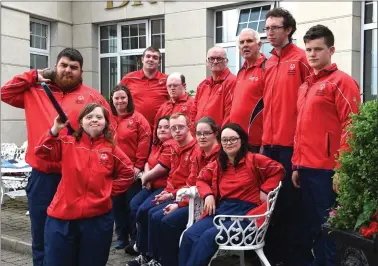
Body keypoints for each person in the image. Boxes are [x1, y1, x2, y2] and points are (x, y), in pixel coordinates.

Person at [1, 48, 112, 266]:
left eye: (74, 67)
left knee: (73, 238)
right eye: (63, 65)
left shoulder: (93, 97)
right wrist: (34, 75)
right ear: (55, 67)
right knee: (41, 237)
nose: (68, 71)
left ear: (81, 71)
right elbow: (5, 93)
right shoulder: (34, 90)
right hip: (44, 177)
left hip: (77, 178)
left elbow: (109, 133)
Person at [291, 25, 361, 266]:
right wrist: (296, 165)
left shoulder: (342, 82)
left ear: (331, 50)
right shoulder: (305, 86)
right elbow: (301, 129)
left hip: (328, 170)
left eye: (318, 49)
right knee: (313, 226)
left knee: (330, 227)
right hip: (307, 168)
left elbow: (351, 126)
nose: (312, 54)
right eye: (308, 49)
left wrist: (341, 168)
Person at [34, 103, 135, 266]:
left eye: (99, 117)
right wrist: (54, 130)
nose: (94, 120)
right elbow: (41, 151)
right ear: (80, 122)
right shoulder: (67, 143)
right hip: (62, 219)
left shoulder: (111, 149)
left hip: (97, 220)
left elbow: (128, 172)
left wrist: (107, 192)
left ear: (106, 123)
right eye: (89, 117)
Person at [178, 123, 285, 266]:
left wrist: (265, 189)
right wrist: (208, 194)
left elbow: (279, 170)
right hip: (222, 211)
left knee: (207, 238)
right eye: (225, 140)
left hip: (246, 215)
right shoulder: (219, 164)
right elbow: (201, 179)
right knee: (189, 235)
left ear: (241, 140)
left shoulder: (254, 160)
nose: (228, 143)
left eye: (233, 139)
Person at [262, 7, 311, 264]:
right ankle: (273, 254)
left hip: (290, 145)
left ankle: (294, 257)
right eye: (267, 28)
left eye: (275, 28)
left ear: (288, 30)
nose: (269, 33)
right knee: (273, 202)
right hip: (268, 144)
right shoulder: (269, 61)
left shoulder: (302, 58)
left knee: (292, 204)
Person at [127, 113, 197, 266]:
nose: (176, 131)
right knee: (145, 211)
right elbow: (173, 176)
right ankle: (148, 255)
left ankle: (160, 259)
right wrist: (168, 191)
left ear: (189, 127)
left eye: (180, 127)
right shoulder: (175, 147)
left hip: (187, 197)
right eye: (174, 128)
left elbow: (193, 182)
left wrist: (170, 194)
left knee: (156, 216)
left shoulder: (195, 150)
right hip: (170, 191)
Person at [154, 116, 221, 266]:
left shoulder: (220, 156)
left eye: (206, 133)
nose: (202, 137)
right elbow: (192, 181)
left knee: (167, 222)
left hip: (209, 205)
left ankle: (169, 262)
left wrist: (178, 203)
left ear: (215, 133)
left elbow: (209, 186)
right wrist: (176, 200)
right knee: (156, 215)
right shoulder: (199, 153)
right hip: (192, 199)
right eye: (199, 134)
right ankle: (158, 259)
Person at [109, 84, 152, 252]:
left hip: (132, 172)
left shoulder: (139, 119)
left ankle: (135, 239)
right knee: (116, 206)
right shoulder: (107, 118)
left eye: (123, 97)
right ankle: (121, 237)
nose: (120, 101)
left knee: (131, 206)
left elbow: (144, 143)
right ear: (112, 100)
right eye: (117, 98)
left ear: (128, 99)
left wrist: (137, 166)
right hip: (113, 171)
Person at [129, 115, 174, 258]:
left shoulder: (172, 145)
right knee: (134, 204)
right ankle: (140, 241)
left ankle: (145, 249)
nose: (162, 129)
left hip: (164, 186)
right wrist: (147, 176)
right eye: (160, 127)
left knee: (144, 210)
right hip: (150, 184)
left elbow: (163, 167)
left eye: (166, 127)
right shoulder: (156, 144)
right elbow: (148, 162)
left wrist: (146, 177)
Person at [230, 28, 266, 153]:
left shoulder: (266, 68)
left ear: (259, 44)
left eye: (249, 41)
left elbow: (271, 107)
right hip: (237, 139)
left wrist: (265, 142)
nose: (245, 45)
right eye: (241, 42)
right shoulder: (241, 71)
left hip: (256, 141)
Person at [120, 46, 168, 128]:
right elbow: (117, 100)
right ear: (142, 59)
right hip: (134, 128)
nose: (151, 59)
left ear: (159, 62)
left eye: (155, 57)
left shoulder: (167, 80)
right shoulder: (129, 78)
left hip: (159, 130)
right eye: (148, 56)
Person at [190, 46, 236, 129]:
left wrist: (222, 136)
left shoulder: (232, 82)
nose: (215, 61)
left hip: (217, 137)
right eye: (211, 58)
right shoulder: (203, 85)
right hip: (200, 136)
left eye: (219, 58)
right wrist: (194, 132)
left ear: (226, 61)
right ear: (207, 62)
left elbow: (230, 115)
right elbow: (193, 112)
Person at [153, 73, 194, 137]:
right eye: (169, 86)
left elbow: (193, 129)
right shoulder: (163, 107)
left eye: (175, 85)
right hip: (165, 146)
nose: (172, 88)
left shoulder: (192, 104)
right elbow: (156, 130)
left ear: (184, 86)